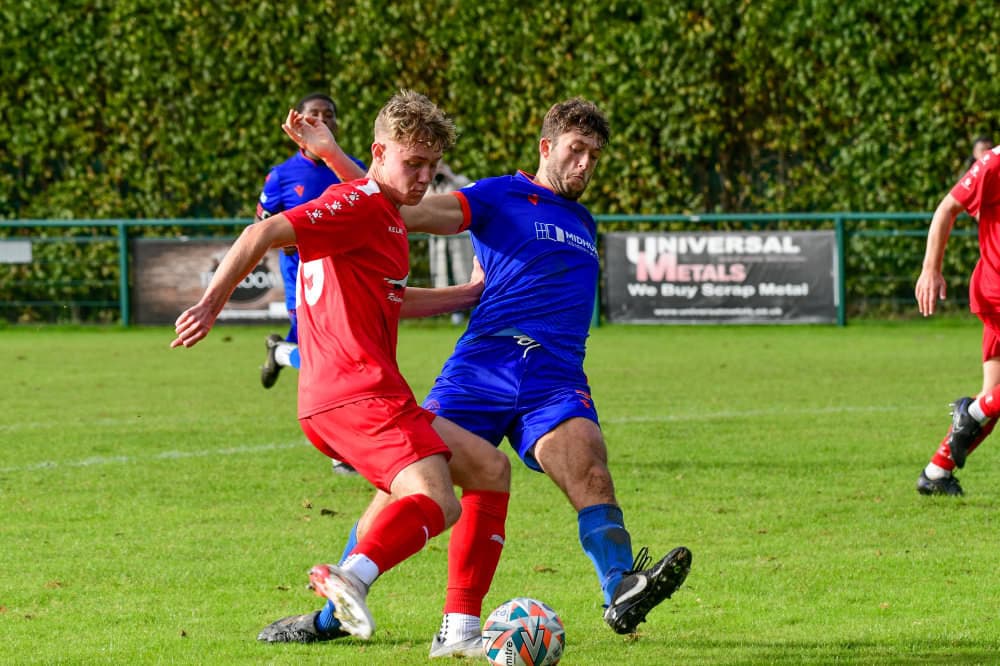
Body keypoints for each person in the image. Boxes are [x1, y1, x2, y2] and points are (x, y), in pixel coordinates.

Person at [283, 97, 692, 650]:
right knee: (405, 485)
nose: (585, 164)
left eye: (595, 156)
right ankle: (333, 612)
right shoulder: (498, 195)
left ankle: (620, 587)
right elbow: (394, 205)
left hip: (554, 377)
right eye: (576, 150)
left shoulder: (583, 221)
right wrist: (334, 155)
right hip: (481, 369)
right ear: (546, 147)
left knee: (589, 465)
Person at [172, 90, 511, 644]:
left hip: (362, 392)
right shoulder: (359, 205)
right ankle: (350, 576)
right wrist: (211, 305)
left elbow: (391, 298)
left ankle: (459, 629)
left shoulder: (383, 216)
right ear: (379, 152)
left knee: (489, 469)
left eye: (431, 165)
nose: (425, 177)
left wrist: (468, 294)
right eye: (413, 162)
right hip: (355, 393)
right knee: (436, 500)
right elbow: (261, 231)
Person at [255, 92, 366, 390]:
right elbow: (261, 225)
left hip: (345, 272)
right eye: (314, 113)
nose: (322, 119)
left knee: (335, 346)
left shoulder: (354, 169)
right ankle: (286, 357)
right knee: (322, 353)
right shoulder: (282, 175)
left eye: (328, 114)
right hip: (302, 275)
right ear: (299, 123)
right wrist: (283, 241)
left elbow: (370, 215)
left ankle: (280, 352)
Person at [915, 140, 1000, 496]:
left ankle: (936, 472)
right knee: (987, 405)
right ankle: (972, 413)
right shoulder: (995, 163)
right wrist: (930, 269)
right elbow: (947, 208)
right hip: (996, 288)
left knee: (992, 397)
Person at [427, 162, 474, 325]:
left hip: (458, 240)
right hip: (440, 241)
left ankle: (469, 310)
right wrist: (432, 182)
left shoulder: (458, 180)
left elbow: (467, 191)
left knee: (463, 272)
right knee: (443, 274)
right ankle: (452, 312)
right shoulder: (430, 184)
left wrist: (450, 177)